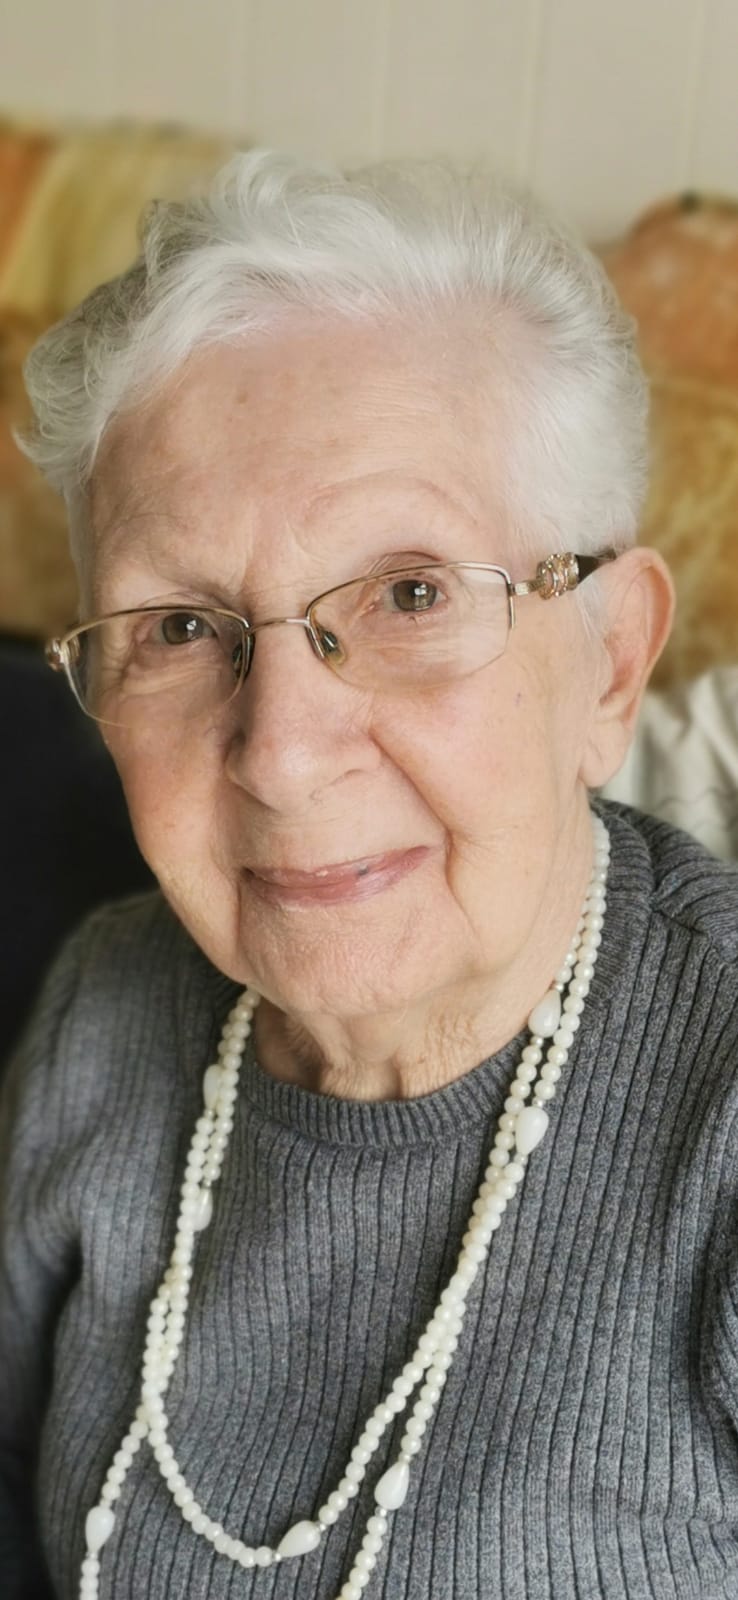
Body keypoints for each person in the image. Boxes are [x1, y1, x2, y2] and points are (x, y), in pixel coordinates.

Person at [1, 151, 736, 1600]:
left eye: (409, 593)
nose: (281, 754)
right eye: (179, 626)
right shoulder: (105, 1003)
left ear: (609, 662)